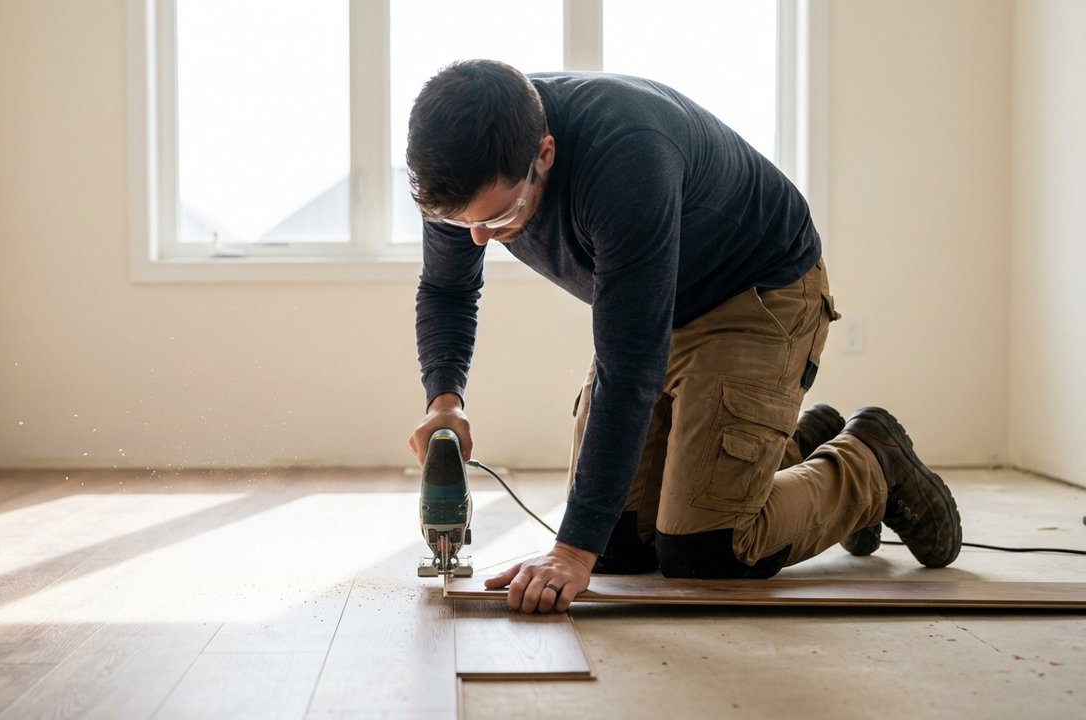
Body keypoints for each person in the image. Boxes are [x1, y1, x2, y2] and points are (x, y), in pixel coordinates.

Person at [405, 60, 962, 614]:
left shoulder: (624, 157)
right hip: (652, 306)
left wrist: (571, 552)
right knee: (618, 544)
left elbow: (629, 371)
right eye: (462, 225)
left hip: (756, 293)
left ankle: (870, 463)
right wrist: (445, 401)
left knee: (705, 549)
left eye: (499, 217)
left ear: (544, 153)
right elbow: (447, 290)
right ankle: (796, 444)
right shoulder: (459, 169)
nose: (477, 237)